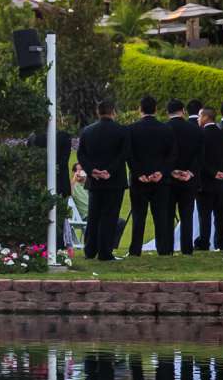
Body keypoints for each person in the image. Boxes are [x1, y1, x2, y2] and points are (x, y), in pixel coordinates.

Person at [74, 99, 128, 261]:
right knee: (110, 216)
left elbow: (81, 154)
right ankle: (105, 252)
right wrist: (109, 171)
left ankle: (90, 250)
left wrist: (92, 171)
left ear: (98, 112)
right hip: (114, 181)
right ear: (113, 112)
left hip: (95, 180)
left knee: (94, 215)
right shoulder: (121, 131)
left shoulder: (87, 131)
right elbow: (124, 154)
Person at [125, 95, 174, 256]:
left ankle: (135, 249)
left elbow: (129, 155)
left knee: (139, 216)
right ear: (156, 110)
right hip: (160, 180)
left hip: (139, 180)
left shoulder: (131, 129)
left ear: (140, 109)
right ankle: (164, 249)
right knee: (161, 216)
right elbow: (172, 155)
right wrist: (161, 172)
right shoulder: (166, 129)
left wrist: (138, 173)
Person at [194, 102, 223, 251]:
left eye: (199, 116)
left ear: (205, 117)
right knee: (221, 216)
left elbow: (199, 159)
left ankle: (204, 242)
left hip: (205, 184)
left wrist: (212, 172)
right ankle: (222, 241)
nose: (198, 119)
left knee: (204, 217)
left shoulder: (200, 136)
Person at [163, 100, 201, 254]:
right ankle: (187, 248)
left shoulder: (164, 129)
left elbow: (162, 154)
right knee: (187, 215)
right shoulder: (195, 130)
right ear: (183, 111)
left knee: (167, 214)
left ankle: (167, 248)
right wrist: (190, 171)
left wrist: (171, 170)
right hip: (188, 178)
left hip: (169, 179)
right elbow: (200, 154)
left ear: (167, 112)